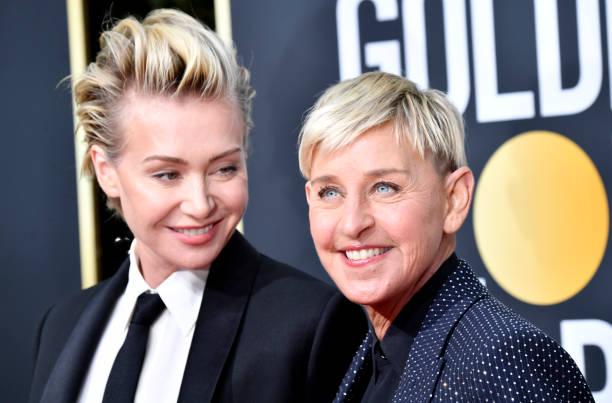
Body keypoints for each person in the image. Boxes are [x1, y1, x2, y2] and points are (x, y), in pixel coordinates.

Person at [29, 9, 365, 403]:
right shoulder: (61, 327)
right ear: (107, 172)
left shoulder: (310, 325)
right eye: (168, 174)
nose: (201, 204)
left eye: (224, 168)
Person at [298, 71, 594, 402]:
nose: (352, 223)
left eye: (385, 188)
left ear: (454, 199)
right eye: (330, 192)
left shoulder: (499, 360)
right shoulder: (366, 359)